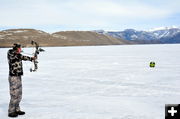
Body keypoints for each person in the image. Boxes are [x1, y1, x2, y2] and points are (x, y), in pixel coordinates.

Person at [7, 43, 35, 117]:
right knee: (14, 94)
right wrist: (29, 58)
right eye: (19, 48)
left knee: (19, 94)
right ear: (16, 48)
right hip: (13, 77)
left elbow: (21, 57)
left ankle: (17, 109)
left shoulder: (18, 55)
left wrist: (32, 59)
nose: (20, 49)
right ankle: (11, 111)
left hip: (18, 76)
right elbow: (19, 56)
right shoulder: (11, 53)